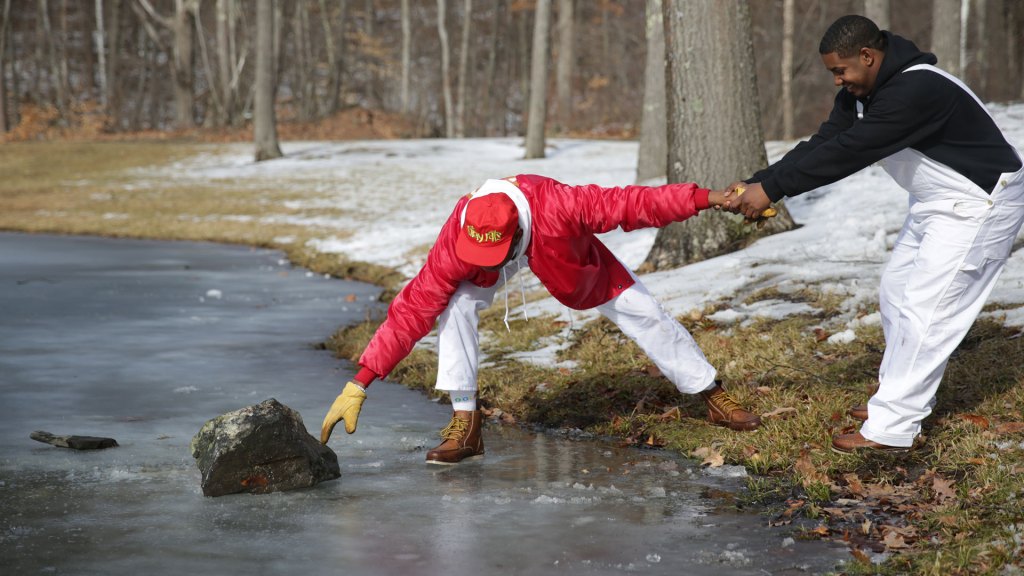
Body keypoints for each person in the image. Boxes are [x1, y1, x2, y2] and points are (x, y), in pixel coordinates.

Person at [724, 15, 1024, 453]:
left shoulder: (916, 89)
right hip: (937, 202)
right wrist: (760, 181)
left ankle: (893, 428)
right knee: (897, 291)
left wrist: (772, 189)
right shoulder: (863, 91)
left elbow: (851, 152)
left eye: (840, 70)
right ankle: (896, 397)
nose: (837, 81)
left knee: (929, 311)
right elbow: (826, 141)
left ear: (868, 56)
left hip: (979, 204)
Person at [321, 174, 762, 464]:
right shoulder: (462, 230)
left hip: (564, 253)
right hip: (504, 243)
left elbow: (635, 203)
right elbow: (413, 307)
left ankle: (710, 392)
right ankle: (467, 425)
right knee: (455, 305)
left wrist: (708, 198)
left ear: (514, 234)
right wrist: (359, 381)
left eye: (497, 254)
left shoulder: (561, 205)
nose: (490, 263)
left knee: (642, 310)